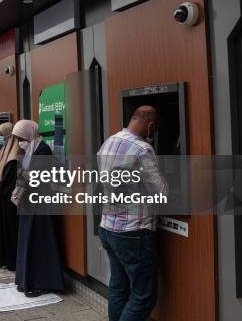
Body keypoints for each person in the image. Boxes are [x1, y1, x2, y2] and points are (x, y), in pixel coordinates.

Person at [97, 106, 167, 321]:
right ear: (151, 125)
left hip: (108, 227)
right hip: (133, 232)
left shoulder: (109, 141)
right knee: (143, 296)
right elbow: (161, 192)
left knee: (119, 288)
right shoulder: (142, 149)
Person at [13, 119, 65, 297]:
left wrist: (25, 175)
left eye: (21, 137)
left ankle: (43, 282)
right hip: (29, 204)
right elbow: (21, 174)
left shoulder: (42, 149)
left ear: (29, 134)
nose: (20, 141)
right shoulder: (30, 150)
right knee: (28, 241)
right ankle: (26, 280)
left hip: (40, 204)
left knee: (40, 242)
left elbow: (36, 176)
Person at [0, 122, 20, 270]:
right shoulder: (5, 151)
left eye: (2, 135)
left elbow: (8, 180)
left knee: (10, 231)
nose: (0, 138)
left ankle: (11, 260)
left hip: (10, 202)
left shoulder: (14, 154)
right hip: (2, 199)